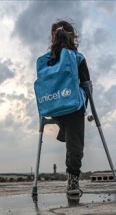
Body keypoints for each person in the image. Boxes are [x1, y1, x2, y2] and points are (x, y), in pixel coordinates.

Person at [45, 20, 91, 196]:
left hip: (52, 108)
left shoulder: (47, 60)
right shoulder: (77, 57)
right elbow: (87, 86)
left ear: (53, 38)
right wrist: (85, 107)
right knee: (75, 140)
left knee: (68, 122)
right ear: (74, 37)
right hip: (72, 109)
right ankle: (73, 181)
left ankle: (64, 131)